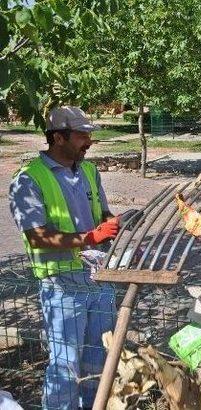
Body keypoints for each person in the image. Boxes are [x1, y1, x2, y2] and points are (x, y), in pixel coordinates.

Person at [9, 106, 119, 409]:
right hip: (62, 286)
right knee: (66, 367)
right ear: (58, 137)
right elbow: (37, 236)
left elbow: (102, 214)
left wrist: (114, 224)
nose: (89, 141)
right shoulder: (28, 179)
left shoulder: (89, 171)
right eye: (82, 135)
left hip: (100, 278)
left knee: (100, 362)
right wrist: (89, 238)